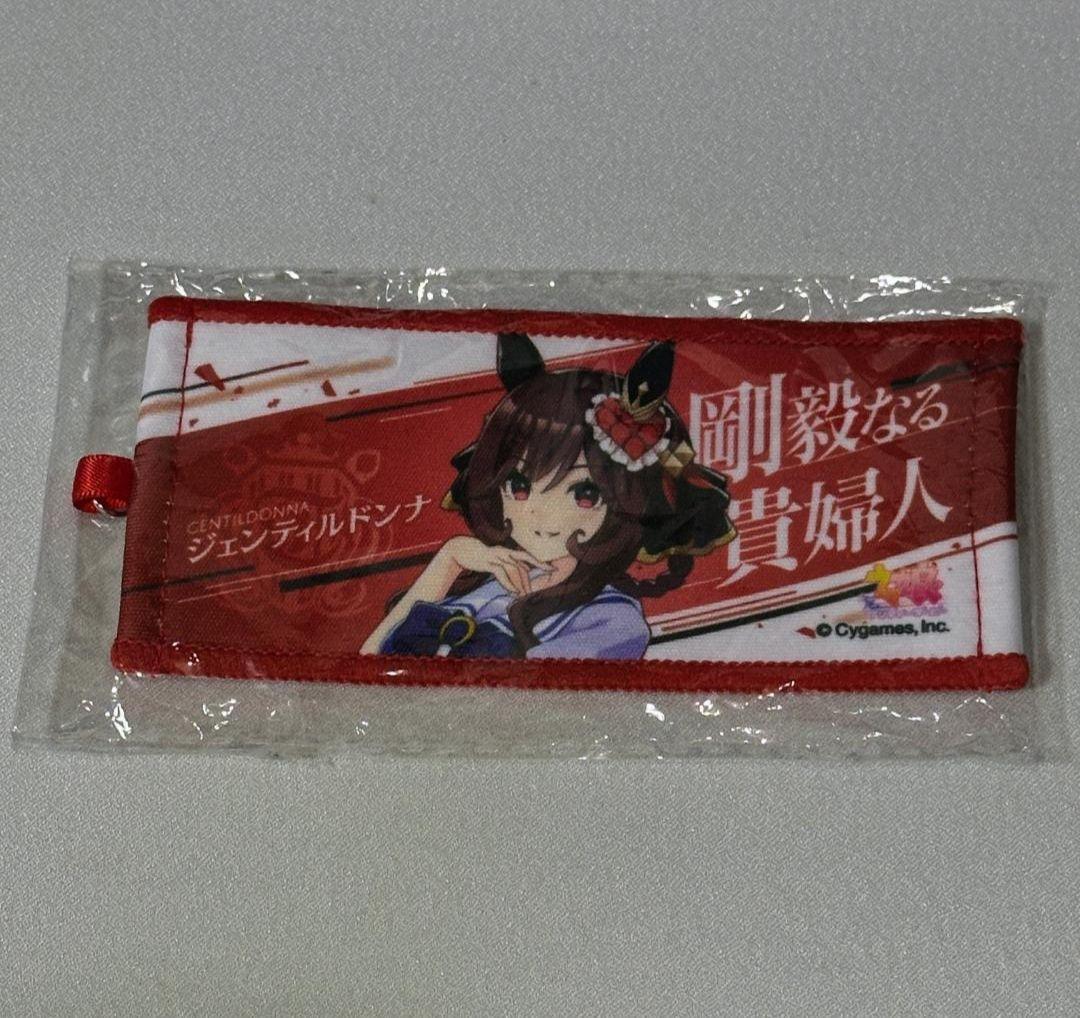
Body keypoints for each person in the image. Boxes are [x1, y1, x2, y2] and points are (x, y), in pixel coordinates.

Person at [360, 333, 735, 659]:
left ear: (628, 504)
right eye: (519, 486)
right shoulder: (488, 582)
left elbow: (516, 707)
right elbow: (369, 669)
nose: (541, 516)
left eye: (584, 494)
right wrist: (450, 559)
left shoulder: (612, 622)